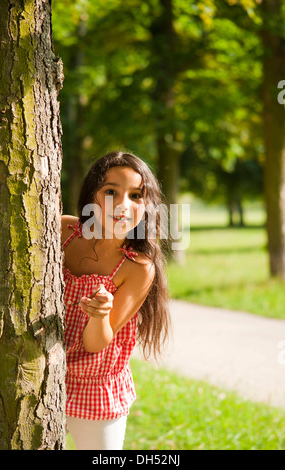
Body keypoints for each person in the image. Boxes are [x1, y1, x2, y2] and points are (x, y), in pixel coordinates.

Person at [61, 151, 170, 450]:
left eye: (136, 195)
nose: (123, 205)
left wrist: (99, 314)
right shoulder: (63, 232)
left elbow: (96, 344)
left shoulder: (137, 267)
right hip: (41, 371)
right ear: (91, 195)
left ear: (148, 206)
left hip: (94, 385)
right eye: (111, 192)